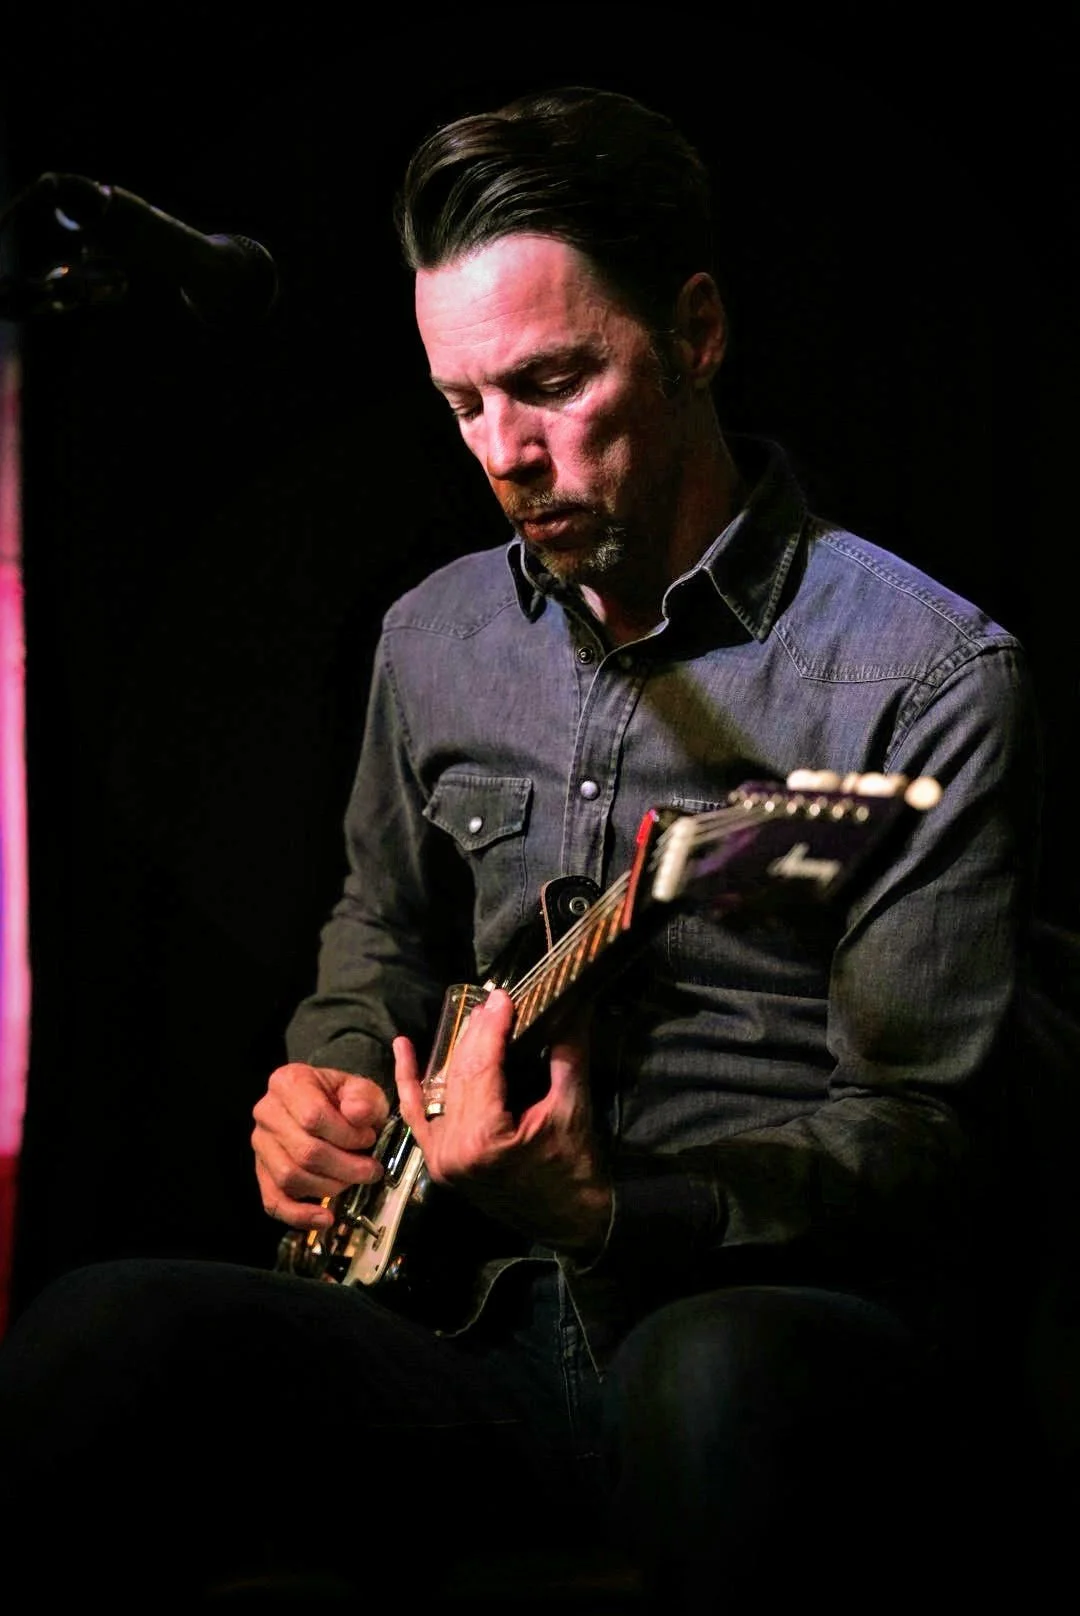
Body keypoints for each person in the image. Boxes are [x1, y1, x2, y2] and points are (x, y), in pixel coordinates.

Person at [0, 85, 1041, 1608]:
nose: (505, 453)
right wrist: (331, 1091)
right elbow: (378, 932)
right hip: (468, 1316)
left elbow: (928, 1137)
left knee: (713, 1388)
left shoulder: (925, 677)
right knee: (93, 1338)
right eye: (464, 404)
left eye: (553, 384)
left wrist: (615, 1213)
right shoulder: (432, 639)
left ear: (694, 335)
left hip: (754, 1314)